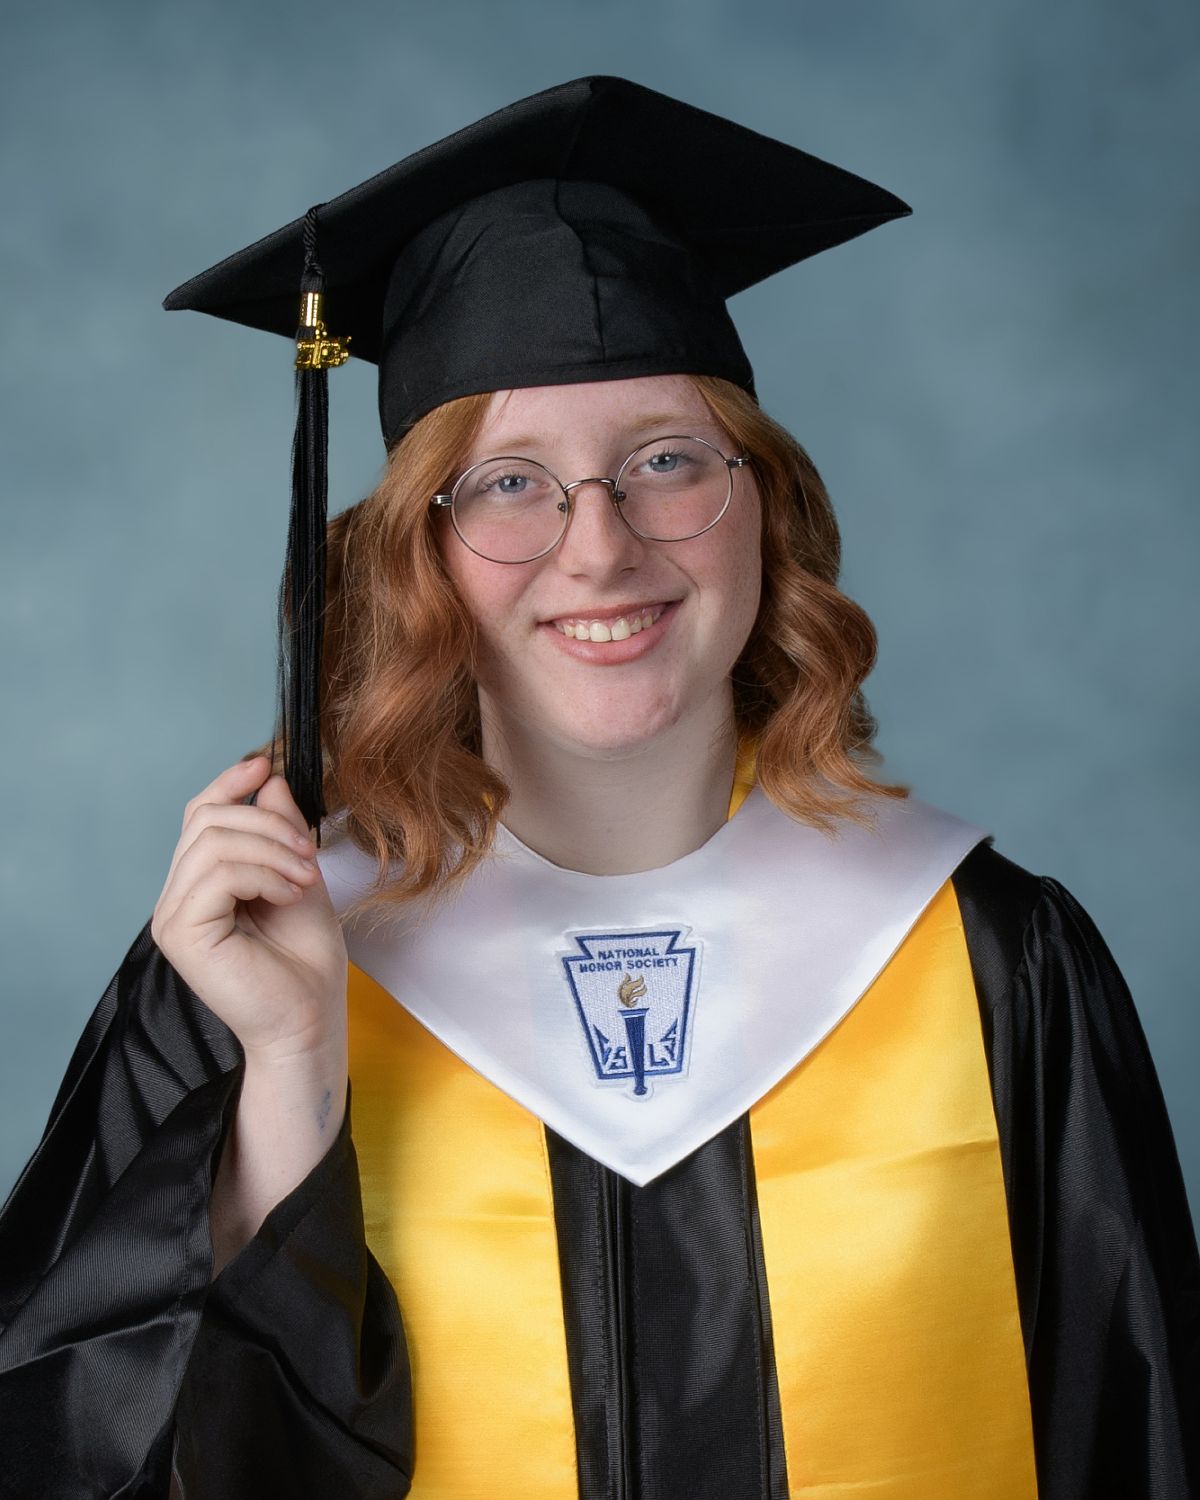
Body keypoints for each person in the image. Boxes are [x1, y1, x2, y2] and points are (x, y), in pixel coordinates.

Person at [0, 76, 1196, 1500]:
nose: (600, 548)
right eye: (509, 483)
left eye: (668, 461)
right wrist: (291, 1086)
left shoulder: (998, 960)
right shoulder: (244, 974)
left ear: (768, 506)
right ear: (415, 555)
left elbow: (1141, 1443)